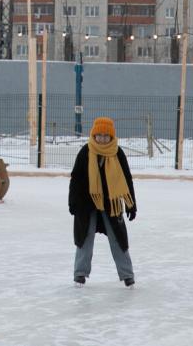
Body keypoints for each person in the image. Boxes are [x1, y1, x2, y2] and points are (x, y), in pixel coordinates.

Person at [68, 116, 135, 288]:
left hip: (110, 203)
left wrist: (131, 204)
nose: (103, 138)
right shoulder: (86, 152)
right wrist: (73, 202)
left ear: (112, 137)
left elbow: (126, 178)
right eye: (99, 135)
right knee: (85, 238)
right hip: (86, 203)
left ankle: (127, 275)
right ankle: (80, 274)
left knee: (118, 239)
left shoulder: (117, 153)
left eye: (106, 136)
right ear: (94, 135)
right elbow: (75, 178)